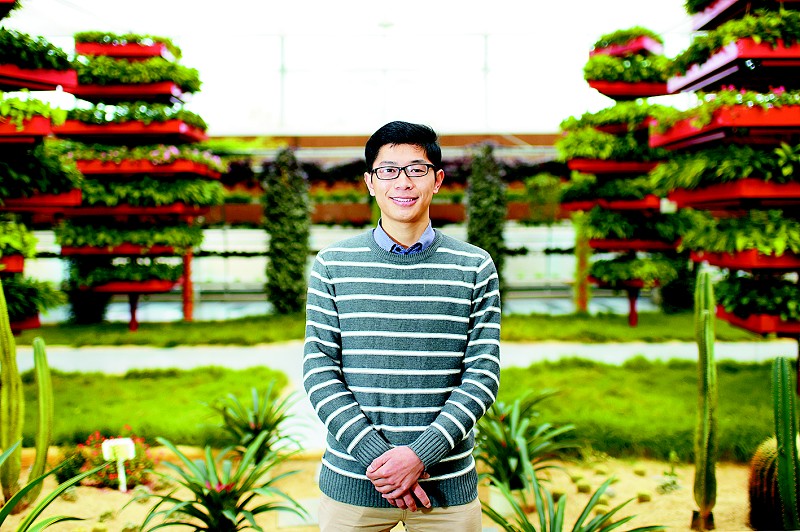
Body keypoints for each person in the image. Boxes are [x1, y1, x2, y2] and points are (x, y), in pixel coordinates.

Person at [302, 120, 501, 531]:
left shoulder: (474, 265)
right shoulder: (332, 264)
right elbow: (319, 369)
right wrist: (381, 461)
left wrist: (419, 456)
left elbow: (483, 375)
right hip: (354, 483)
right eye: (388, 170)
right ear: (370, 182)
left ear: (437, 180)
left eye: (416, 169)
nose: (403, 182)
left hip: (445, 487)